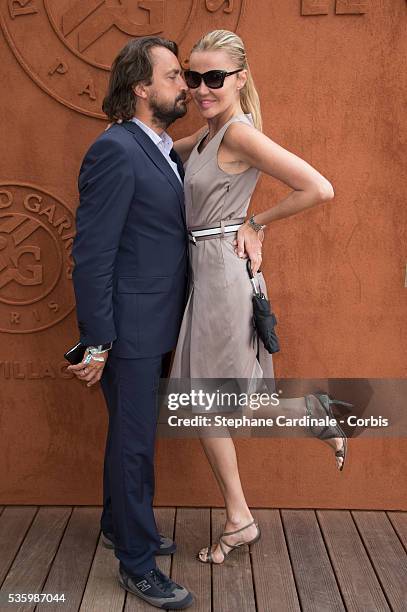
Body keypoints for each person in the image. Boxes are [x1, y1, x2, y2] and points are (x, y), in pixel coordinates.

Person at [168, 29, 353, 565]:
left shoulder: (238, 135)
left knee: (204, 400)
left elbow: (319, 187)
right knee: (214, 401)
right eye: (193, 77)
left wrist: (258, 222)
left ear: (240, 79)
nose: (202, 88)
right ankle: (244, 510)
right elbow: (158, 151)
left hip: (225, 275)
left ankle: (241, 514)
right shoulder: (207, 134)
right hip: (205, 273)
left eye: (215, 78)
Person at [68, 37, 194, 609]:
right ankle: (137, 565)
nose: (184, 86)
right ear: (141, 88)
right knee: (136, 444)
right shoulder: (115, 150)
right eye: (173, 76)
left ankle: (121, 525)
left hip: (157, 320)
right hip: (129, 326)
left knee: (130, 434)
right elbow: (92, 253)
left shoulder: (158, 147)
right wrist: (97, 340)